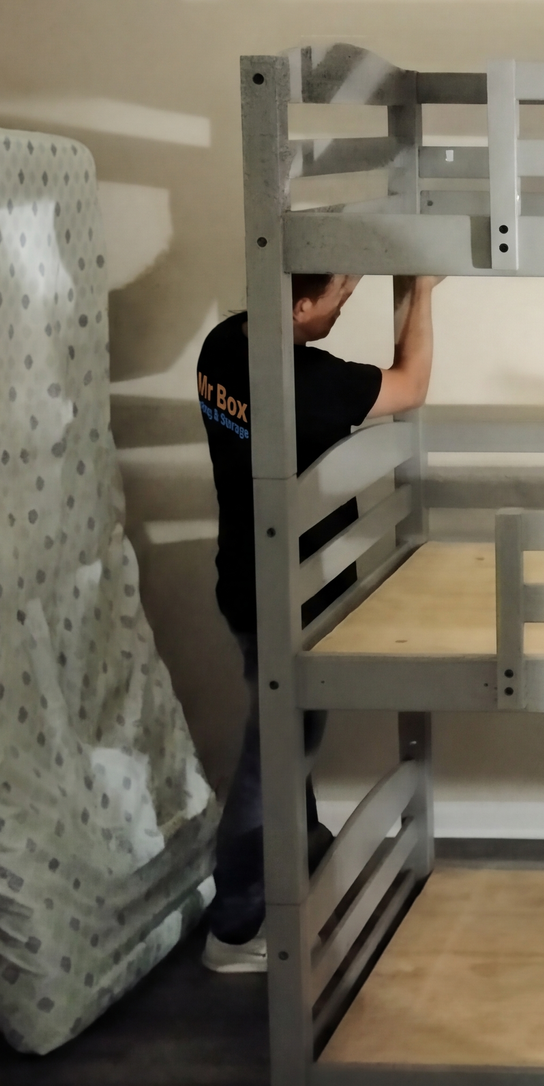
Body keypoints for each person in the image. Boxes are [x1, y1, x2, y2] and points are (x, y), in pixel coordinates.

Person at [196, 272, 438, 972]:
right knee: (277, 754)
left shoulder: (224, 345)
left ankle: (294, 861)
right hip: (286, 593)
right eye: (341, 297)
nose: (343, 307)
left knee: (285, 736)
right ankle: (235, 926)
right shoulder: (304, 382)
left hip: (246, 580)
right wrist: (422, 292)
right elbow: (410, 385)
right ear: (300, 305)